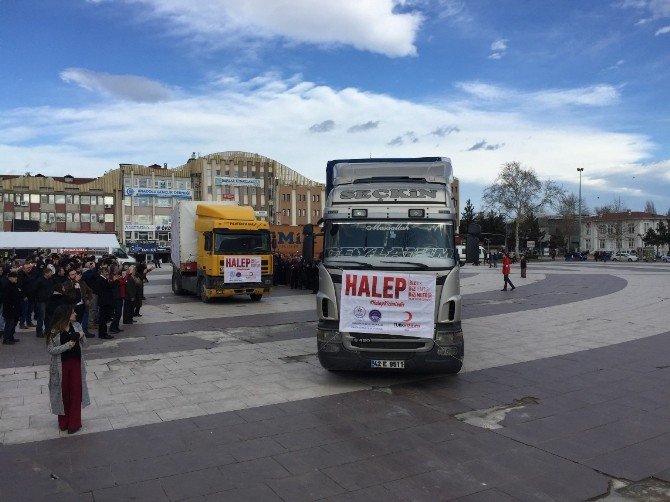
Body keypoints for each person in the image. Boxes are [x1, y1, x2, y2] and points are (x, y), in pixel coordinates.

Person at [46, 304, 90, 434]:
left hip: (76, 364)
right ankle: (63, 422)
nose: (75, 314)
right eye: (72, 313)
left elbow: (86, 345)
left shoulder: (77, 326)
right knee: (62, 393)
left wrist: (82, 335)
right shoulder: (54, 330)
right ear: (65, 315)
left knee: (76, 392)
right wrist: (67, 345)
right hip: (61, 366)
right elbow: (50, 349)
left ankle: (75, 423)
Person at [2, 271, 23, 344]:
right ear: (10, 278)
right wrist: (11, 306)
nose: (16, 278)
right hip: (10, 309)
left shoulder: (15, 284)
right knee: (9, 324)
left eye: (16, 277)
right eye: (14, 277)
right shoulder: (7, 286)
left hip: (16, 308)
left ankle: (11, 337)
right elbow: (6, 299)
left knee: (14, 323)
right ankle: (6, 339)